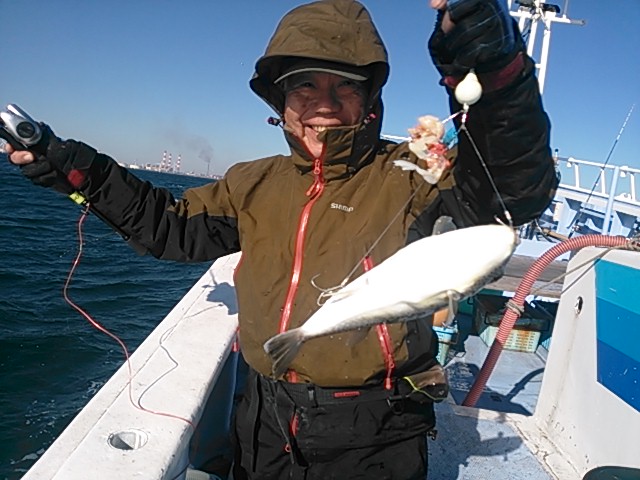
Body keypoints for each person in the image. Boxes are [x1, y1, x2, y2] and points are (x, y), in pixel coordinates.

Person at [5, 0, 558, 478]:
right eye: (304, 85)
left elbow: (513, 190)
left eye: (345, 85)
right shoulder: (254, 182)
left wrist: (496, 70)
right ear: (281, 101)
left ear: (369, 100)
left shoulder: (414, 175)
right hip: (262, 418)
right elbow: (170, 227)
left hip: (376, 430)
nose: (324, 102)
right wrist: (79, 172)